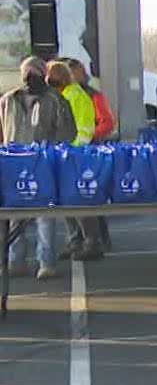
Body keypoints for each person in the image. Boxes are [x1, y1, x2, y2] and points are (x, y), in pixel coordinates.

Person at [0, 57, 77, 281]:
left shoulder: (55, 100)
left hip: (43, 163)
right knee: (16, 215)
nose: (29, 76)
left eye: (33, 71)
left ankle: (46, 262)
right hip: (14, 163)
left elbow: (68, 133)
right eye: (27, 71)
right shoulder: (8, 100)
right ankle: (17, 261)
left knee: (44, 215)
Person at [46, 60, 104, 262]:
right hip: (66, 155)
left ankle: (91, 243)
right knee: (67, 202)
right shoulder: (63, 95)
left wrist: (71, 150)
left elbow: (83, 128)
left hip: (76, 156)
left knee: (80, 201)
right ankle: (75, 241)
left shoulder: (74, 96)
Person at [74, 59, 116, 253]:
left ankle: (100, 239)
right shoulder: (64, 95)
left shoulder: (93, 96)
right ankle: (77, 239)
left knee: (92, 196)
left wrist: (88, 135)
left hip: (91, 152)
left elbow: (107, 122)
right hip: (73, 153)